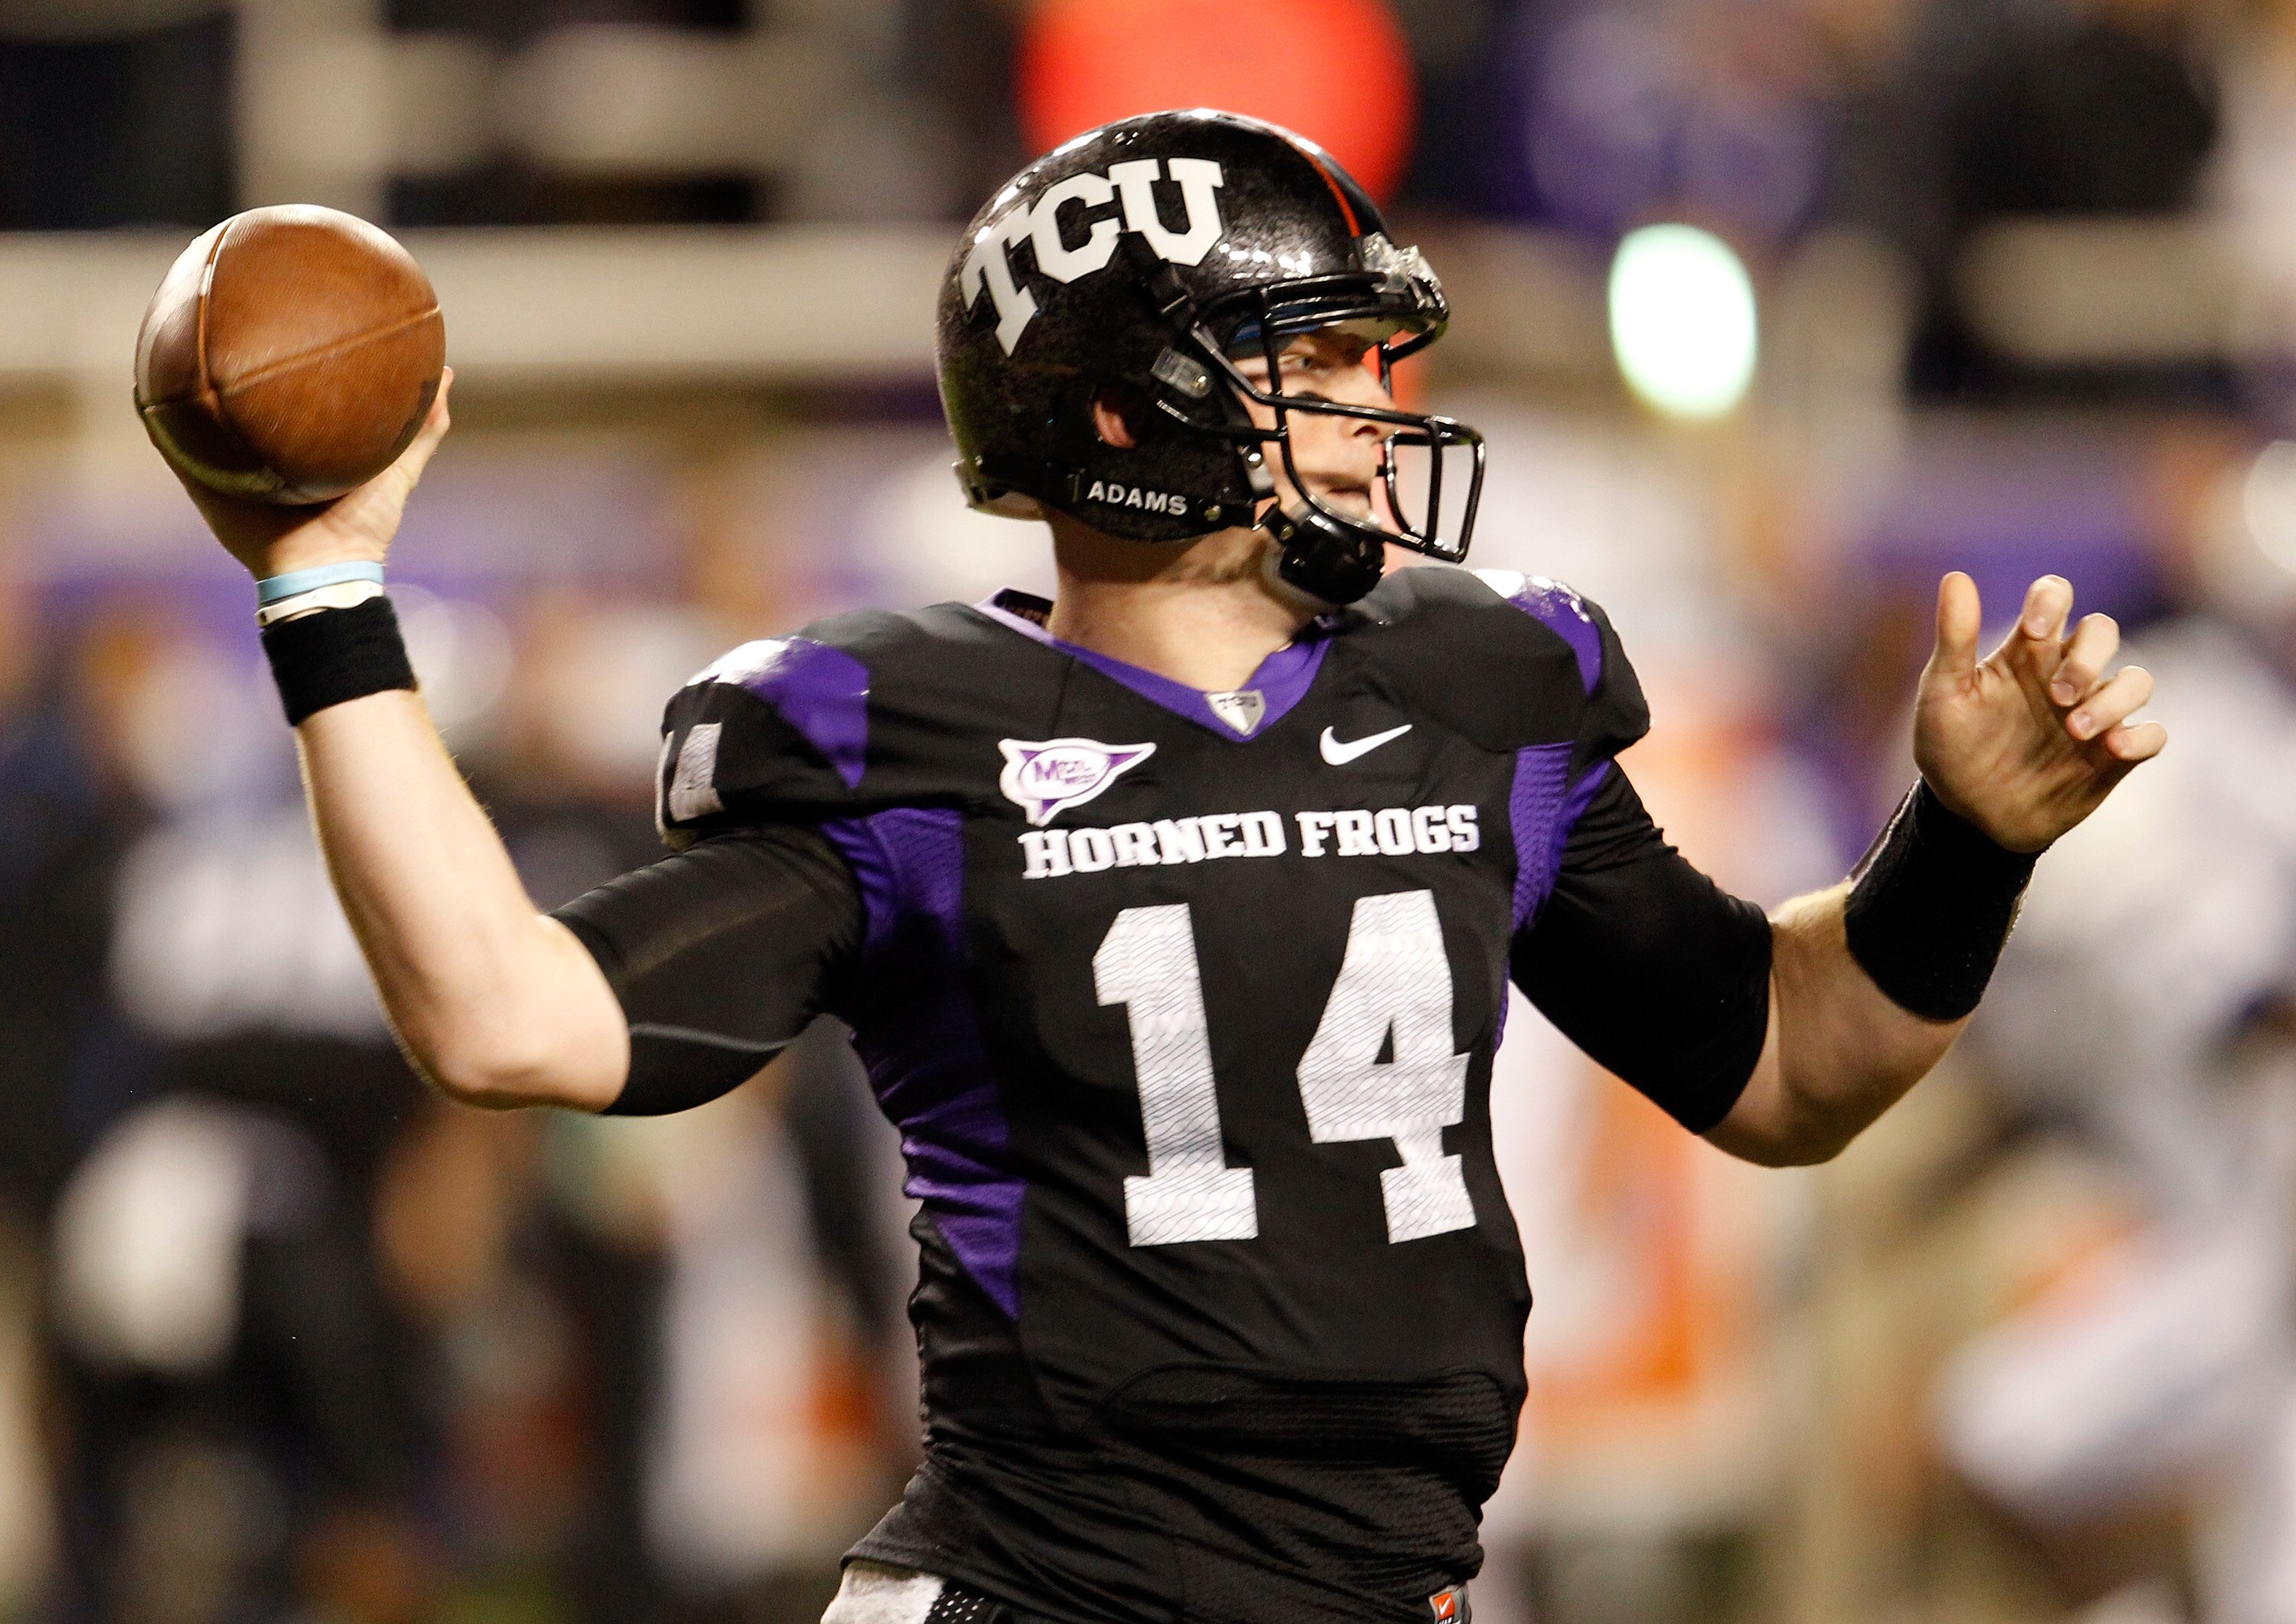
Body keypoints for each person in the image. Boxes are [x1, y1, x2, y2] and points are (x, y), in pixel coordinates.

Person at [171, 110, 2164, 1624]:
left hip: (1394, 1585)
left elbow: (1785, 1062)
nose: (1380, 415)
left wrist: (1965, 844)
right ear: (1134, 417)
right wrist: (325, 587)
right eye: (1318, 366)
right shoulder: (907, 737)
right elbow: (503, 1015)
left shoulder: (1482, 690)